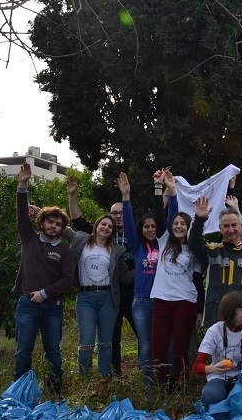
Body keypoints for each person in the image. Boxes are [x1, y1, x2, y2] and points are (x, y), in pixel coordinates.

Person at [12, 163, 74, 397]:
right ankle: (19, 394)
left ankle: (54, 394)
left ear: (62, 228)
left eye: (58, 224)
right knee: (23, 351)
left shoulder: (65, 252)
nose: (53, 226)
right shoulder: (29, 239)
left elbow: (67, 279)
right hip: (27, 304)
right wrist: (23, 184)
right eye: (50, 222)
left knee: (53, 353)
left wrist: (45, 293)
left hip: (52, 308)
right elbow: (20, 214)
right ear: (42, 222)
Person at [68, 177, 136, 378]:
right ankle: (97, 378)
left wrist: (148, 270)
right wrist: (71, 196)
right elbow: (72, 224)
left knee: (130, 338)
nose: (116, 218)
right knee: (98, 341)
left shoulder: (130, 238)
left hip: (124, 295)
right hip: (96, 295)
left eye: (120, 213)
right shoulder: (88, 238)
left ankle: (114, 379)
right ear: (99, 225)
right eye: (112, 215)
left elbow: (126, 274)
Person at [190, 196, 242, 328]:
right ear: (220, 228)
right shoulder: (212, 251)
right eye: (226, 226)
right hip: (216, 319)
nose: (230, 230)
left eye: (234, 225)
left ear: (241, 226)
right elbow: (194, 244)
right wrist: (200, 220)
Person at [119, 171, 168, 385]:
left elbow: (171, 213)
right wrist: (126, 197)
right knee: (146, 345)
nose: (150, 229)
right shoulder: (138, 247)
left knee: (165, 344)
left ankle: (168, 383)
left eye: (154, 226)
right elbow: (128, 224)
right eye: (146, 226)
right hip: (141, 302)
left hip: (164, 301)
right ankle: (149, 386)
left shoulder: (166, 246)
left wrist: (169, 194)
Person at [149, 174, 198, 386]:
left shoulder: (194, 249)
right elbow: (161, 216)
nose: (178, 226)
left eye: (182, 224)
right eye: (176, 223)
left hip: (185, 303)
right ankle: (163, 387)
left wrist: (201, 308)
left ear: (188, 228)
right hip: (161, 301)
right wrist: (162, 188)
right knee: (159, 349)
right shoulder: (163, 241)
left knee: (180, 350)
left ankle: (182, 389)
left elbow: (197, 279)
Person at [194, 291, 242, 408]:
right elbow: (197, 366)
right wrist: (213, 369)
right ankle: (220, 410)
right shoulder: (215, 331)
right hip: (219, 377)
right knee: (211, 395)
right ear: (231, 311)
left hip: (241, 377)